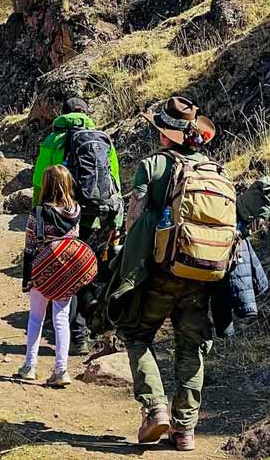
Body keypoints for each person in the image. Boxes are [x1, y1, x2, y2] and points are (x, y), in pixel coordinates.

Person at [117, 96, 218, 452]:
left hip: (161, 272)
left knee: (136, 333)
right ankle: (185, 430)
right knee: (191, 347)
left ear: (165, 134)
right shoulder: (213, 169)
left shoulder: (152, 165)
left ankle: (155, 407)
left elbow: (134, 218)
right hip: (203, 274)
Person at [31, 97, 122, 356]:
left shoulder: (53, 141)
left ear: (63, 114)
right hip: (97, 217)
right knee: (86, 272)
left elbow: (40, 182)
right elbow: (113, 181)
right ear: (87, 114)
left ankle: (75, 335)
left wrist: (38, 216)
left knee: (65, 274)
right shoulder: (103, 140)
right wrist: (114, 221)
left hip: (63, 219)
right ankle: (84, 327)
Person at [18, 165, 82, 387]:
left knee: (36, 317)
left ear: (46, 185)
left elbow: (29, 245)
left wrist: (27, 278)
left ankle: (29, 366)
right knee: (61, 319)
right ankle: (61, 370)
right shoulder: (76, 211)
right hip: (65, 273)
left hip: (41, 271)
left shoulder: (38, 213)